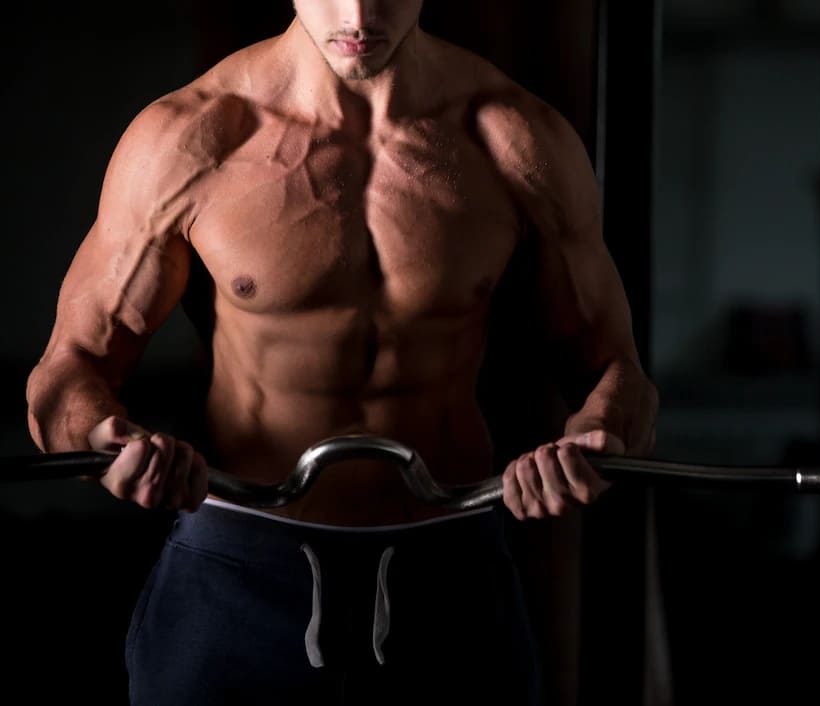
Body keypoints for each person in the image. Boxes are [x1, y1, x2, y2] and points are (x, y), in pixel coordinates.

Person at [25, 1, 658, 704]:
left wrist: (594, 441)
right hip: (240, 567)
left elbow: (617, 369)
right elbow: (68, 369)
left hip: (448, 570)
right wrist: (103, 438)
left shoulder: (515, 138)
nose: (357, 13)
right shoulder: (193, 138)